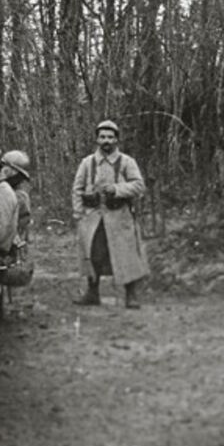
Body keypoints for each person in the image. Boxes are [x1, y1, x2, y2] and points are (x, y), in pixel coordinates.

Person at [71, 120, 149, 309]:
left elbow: (139, 185)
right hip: (93, 218)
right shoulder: (87, 163)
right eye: (102, 137)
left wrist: (117, 189)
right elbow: (77, 188)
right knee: (93, 255)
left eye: (110, 137)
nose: (106, 141)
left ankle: (131, 295)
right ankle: (92, 292)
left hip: (119, 217)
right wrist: (78, 213)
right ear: (97, 139)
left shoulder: (127, 162)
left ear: (116, 140)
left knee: (126, 256)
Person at [1, 150, 33, 246]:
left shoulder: (19, 195)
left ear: (14, 171)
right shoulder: (10, 188)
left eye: (5, 167)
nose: (2, 170)